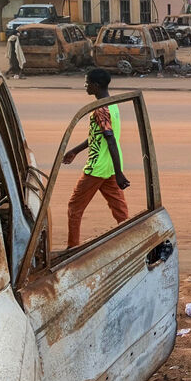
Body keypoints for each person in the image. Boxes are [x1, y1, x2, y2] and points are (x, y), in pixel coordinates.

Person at [63, 68, 130, 248]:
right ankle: (130, 242)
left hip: (97, 167)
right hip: (109, 167)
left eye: (87, 83)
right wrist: (75, 151)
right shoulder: (112, 104)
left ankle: (72, 248)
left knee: (74, 208)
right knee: (120, 211)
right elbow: (97, 136)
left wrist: (120, 173)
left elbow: (110, 139)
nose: (85, 86)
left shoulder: (100, 110)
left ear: (96, 85)